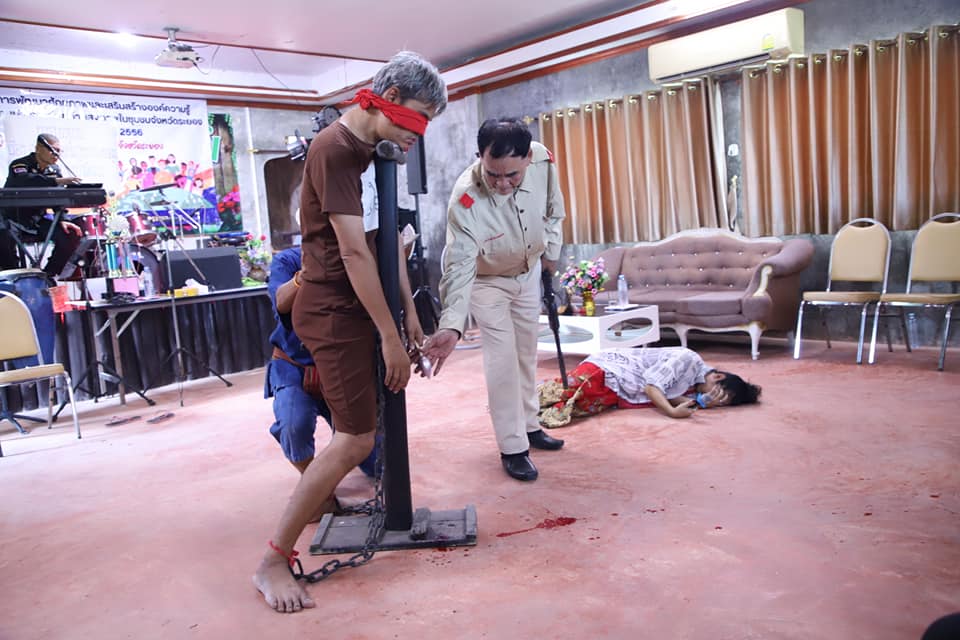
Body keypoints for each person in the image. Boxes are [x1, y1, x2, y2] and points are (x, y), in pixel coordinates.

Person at [252, 51, 447, 614]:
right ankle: (272, 561)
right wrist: (388, 335)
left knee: (368, 431)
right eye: (416, 116)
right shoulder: (336, 148)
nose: (418, 132)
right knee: (355, 439)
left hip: (358, 303)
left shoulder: (368, 151)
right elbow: (355, 254)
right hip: (335, 310)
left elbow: (385, 249)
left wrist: (409, 319)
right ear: (386, 97)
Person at [422, 118, 567, 482]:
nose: (502, 184)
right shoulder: (465, 199)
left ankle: (530, 426)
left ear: (527, 160)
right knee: (502, 360)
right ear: (480, 157)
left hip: (528, 272)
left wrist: (551, 252)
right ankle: (513, 446)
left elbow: (555, 210)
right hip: (487, 282)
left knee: (526, 353)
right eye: (493, 174)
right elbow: (459, 266)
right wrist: (452, 325)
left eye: (512, 175)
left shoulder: (543, 161)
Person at [265, 247, 378, 486]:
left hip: (341, 368)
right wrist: (306, 274)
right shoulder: (288, 260)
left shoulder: (354, 256)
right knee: (294, 426)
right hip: (295, 364)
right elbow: (280, 303)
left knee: (376, 461)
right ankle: (315, 486)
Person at [537, 346, 762, 427]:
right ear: (718, 376)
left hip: (618, 390)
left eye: (722, 403)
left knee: (566, 412)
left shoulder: (696, 385)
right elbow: (652, 387)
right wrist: (672, 412)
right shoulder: (688, 359)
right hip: (609, 369)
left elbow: (670, 393)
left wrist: (702, 403)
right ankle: (523, 396)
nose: (717, 400)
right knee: (559, 394)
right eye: (719, 394)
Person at [1, 134, 83, 277]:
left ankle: (48, 276)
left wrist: (63, 219)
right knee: (3, 235)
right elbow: (26, 181)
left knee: (70, 234)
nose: (56, 154)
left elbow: (57, 197)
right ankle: (13, 277)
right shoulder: (20, 164)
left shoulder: (54, 170)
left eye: (58, 150)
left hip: (36, 221)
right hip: (12, 219)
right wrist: (57, 181)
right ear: (38, 149)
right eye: (52, 150)